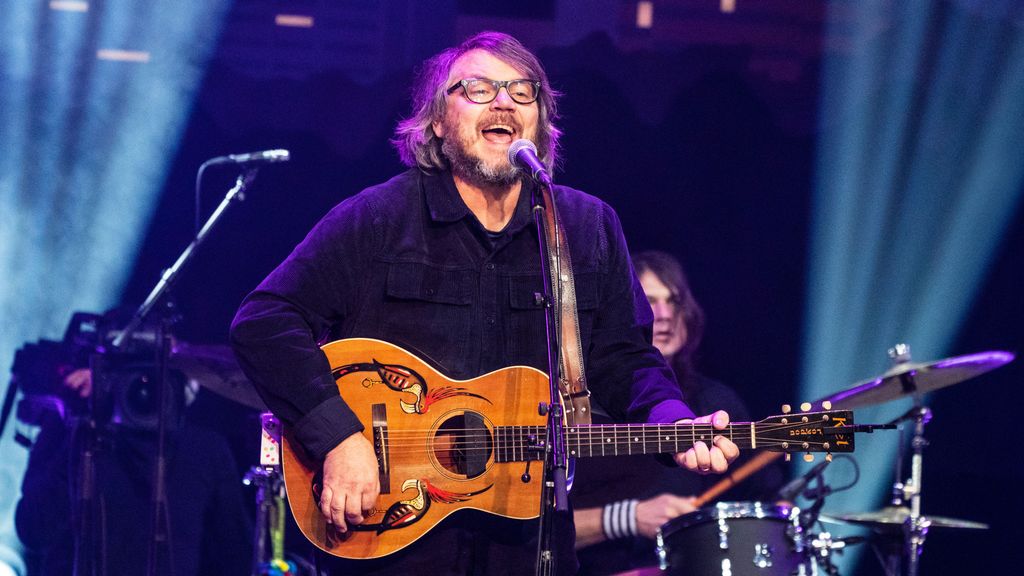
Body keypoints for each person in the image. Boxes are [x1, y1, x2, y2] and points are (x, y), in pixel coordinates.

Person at [229, 31, 738, 575]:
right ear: (436, 121)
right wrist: (339, 437)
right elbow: (264, 322)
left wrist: (673, 419)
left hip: (529, 536)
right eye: (476, 89)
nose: (502, 102)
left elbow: (624, 357)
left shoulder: (585, 227)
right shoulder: (377, 218)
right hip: (391, 536)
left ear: (540, 122)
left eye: (522, 92)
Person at [571, 251, 782, 575]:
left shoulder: (716, 403)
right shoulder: (578, 407)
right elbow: (535, 528)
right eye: (648, 301)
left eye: (674, 301)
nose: (665, 314)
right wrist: (628, 518)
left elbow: (767, 502)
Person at [15, 357, 253, 576]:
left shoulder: (206, 449)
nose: (143, 392)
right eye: (134, 378)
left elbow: (236, 557)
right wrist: (75, 425)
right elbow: (32, 531)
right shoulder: (77, 436)